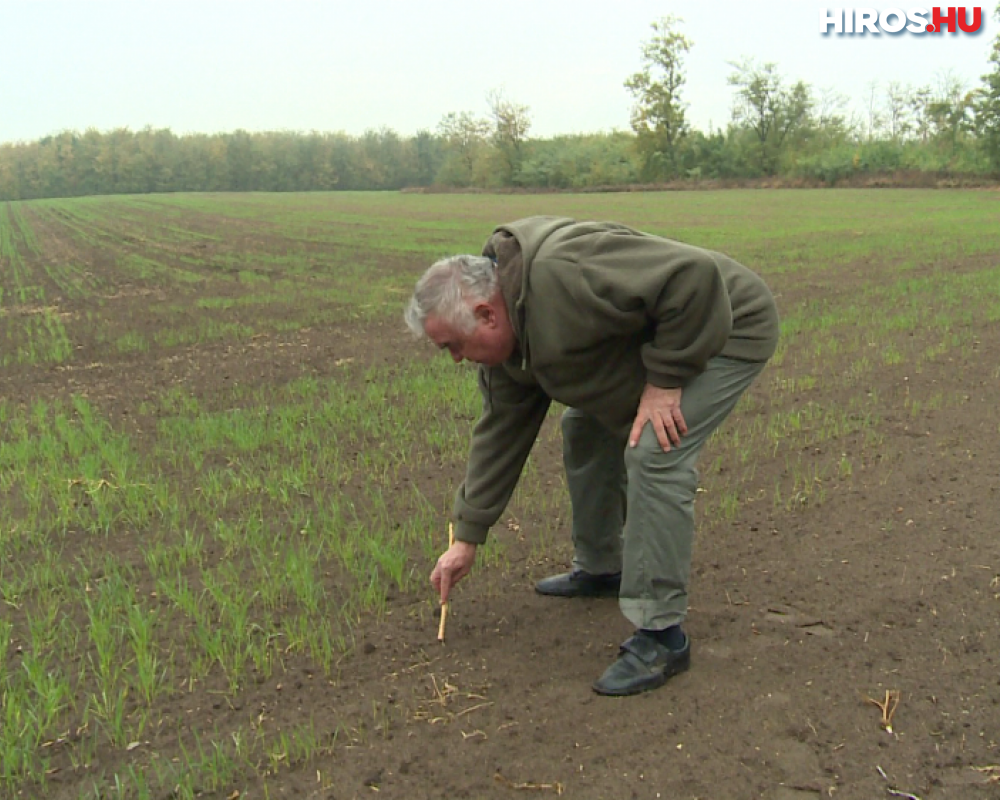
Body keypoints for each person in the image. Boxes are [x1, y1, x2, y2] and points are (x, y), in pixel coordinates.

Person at [404, 216, 779, 696]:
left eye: (453, 346)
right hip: (659, 334)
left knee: (655, 449)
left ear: (486, 315)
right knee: (584, 425)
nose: (456, 359)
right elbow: (501, 431)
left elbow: (694, 277)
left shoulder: (564, 273)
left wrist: (665, 381)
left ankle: (662, 634)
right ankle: (603, 566)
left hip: (723, 323)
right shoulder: (509, 341)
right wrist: (467, 536)